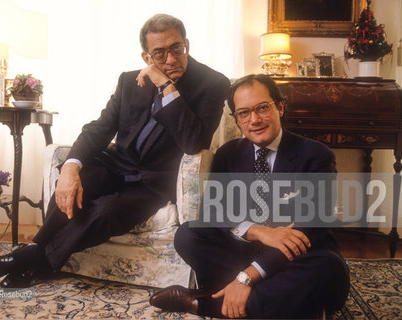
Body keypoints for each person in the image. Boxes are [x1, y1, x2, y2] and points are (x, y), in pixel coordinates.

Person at [0, 14, 230, 288]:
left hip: (153, 182)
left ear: (186, 44)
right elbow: (100, 127)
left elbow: (193, 141)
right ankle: (38, 256)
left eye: (176, 48)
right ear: (146, 57)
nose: (170, 59)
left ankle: (30, 259)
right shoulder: (129, 81)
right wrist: (71, 167)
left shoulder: (213, 84)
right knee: (73, 182)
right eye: (159, 53)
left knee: (106, 211)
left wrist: (166, 87)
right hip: (116, 165)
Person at [149, 74, 350, 318]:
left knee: (329, 269)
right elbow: (213, 212)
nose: (254, 120)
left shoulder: (315, 155)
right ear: (237, 119)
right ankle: (286, 302)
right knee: (188, 234)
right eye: (244, 113)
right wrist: (258, 231)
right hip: (241, 253)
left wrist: (247, 277)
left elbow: (310, 229)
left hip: (296, 258)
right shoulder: (228, 154)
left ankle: (202, 304)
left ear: (280, 107)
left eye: (262, 108)